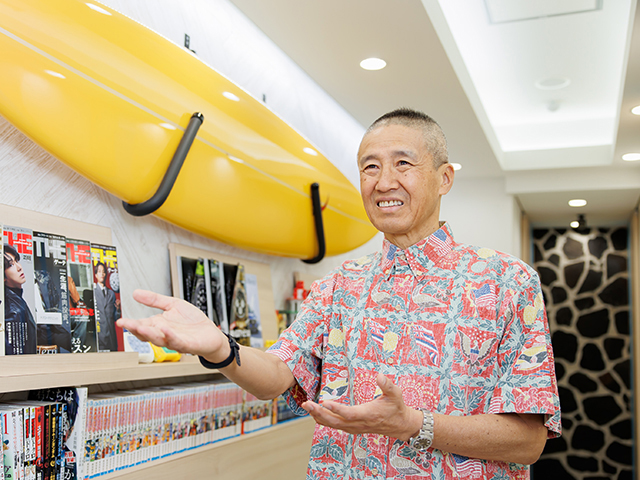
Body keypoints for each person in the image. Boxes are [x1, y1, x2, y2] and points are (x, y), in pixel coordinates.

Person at [118, 108, 560, 479]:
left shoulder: (506, 282)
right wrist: (219, 347)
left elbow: (528, 441)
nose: (383, 182)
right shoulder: (337, 285)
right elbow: (277, 374)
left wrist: (413, 424)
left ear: (444, 178)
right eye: (370, 167)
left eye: (403, 164)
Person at [4, 243, 37, 354]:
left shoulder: (15, 300)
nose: (19, 267)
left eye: (17, 261)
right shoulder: (13, 308)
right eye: (10, 265)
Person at [94, 261, 120, 351]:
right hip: (100, 337)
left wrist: (118, 310)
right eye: (99, 271)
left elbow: (115, 318)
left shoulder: (111, 293)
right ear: (96, 275)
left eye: (103, 271)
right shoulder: (93, 293)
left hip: (111, 337)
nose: (102, 274)